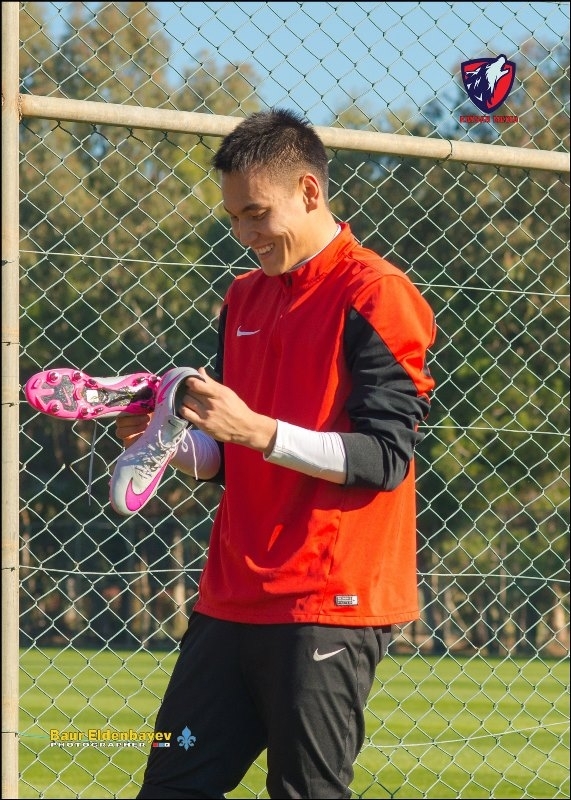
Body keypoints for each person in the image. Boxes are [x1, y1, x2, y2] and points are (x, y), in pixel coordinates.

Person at [114, 108, 436, 800]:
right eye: (234, 218)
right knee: (169, 785)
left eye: (257, 214)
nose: (245, 235)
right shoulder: (243, 296)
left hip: (327, 599)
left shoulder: (377, 293)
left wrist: (256, 429)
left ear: (309, 192)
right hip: (230, 597)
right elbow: (237, 457)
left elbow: (385, 458)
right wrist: (169, 444)